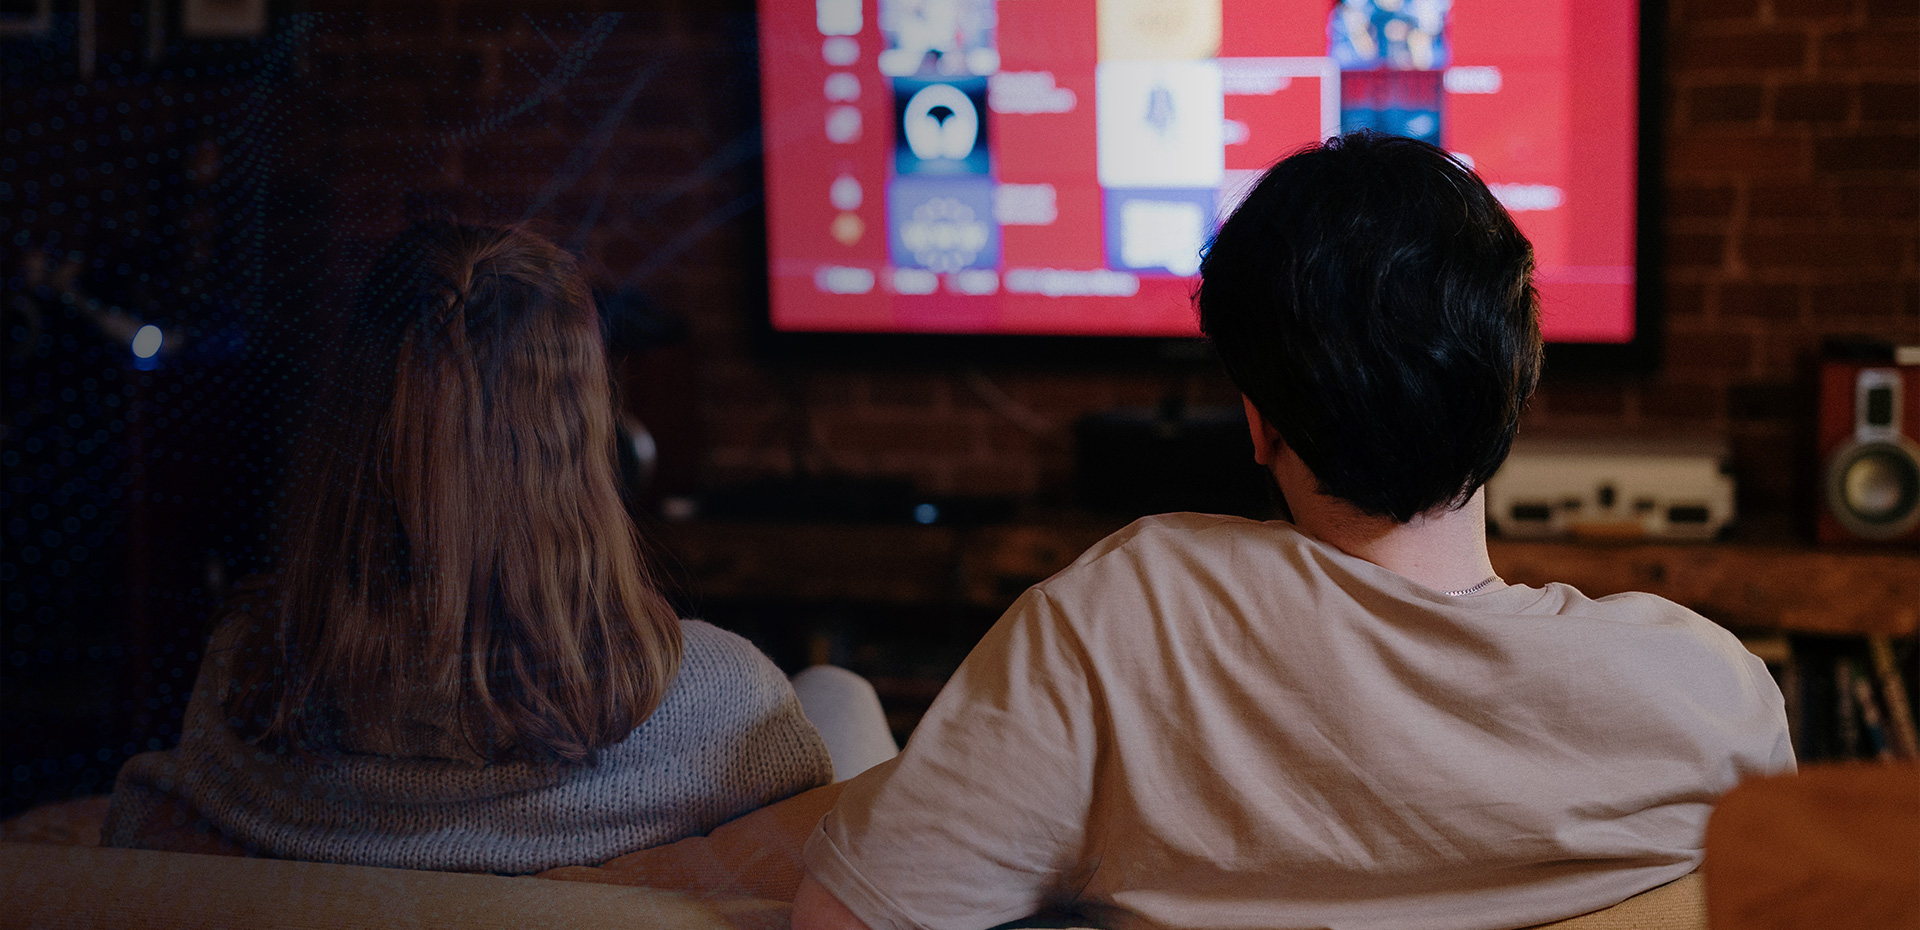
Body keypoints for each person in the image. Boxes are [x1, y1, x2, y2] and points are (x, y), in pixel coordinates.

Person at [792, 133, 1795, 930]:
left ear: (1260, 421)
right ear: (1517, 384)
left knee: (830, 697)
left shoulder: (1131, 617)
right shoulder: (1717, 698)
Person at [103, 221, 844, 874]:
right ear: (588, 444)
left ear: (348, 434)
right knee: (839, 692)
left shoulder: (245, 676)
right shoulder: (724, 701)